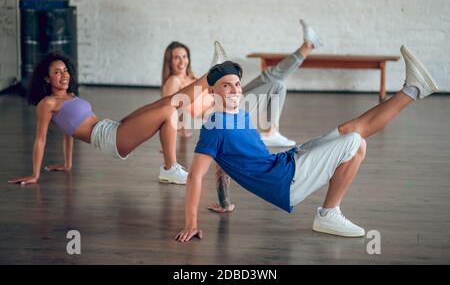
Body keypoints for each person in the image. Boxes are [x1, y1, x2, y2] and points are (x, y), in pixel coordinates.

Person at [175, 45, 439, 241]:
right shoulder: (213, 126)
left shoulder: (240, 114)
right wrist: (191, 223)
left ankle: (413, 89)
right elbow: (195, 177)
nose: (235, 90)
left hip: (287, 162)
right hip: (285, 181)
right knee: (355, 141)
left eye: (237, 84)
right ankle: (327, 215)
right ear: (212, 92)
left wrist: (224, 202)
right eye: (226, 86)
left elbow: (225, 165)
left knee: (352, 131)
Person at [160, 20, 321, 209]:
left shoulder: (192, 76)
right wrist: (180, 132)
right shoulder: (173, 82)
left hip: (231, 99)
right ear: (169, 61)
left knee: (272, 79)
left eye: (184, 56)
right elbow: (170, 109)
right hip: (225, 113)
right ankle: (306, 47)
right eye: (176, 58)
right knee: (274, 80)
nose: (182, 61)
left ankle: (307, 46)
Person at [7, 50, 216, 185]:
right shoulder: (47, 104)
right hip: (109, 139)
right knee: (171, 104)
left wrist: (67, 163)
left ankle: (169, 168)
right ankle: (212, 74)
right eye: (57, 72)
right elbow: (41, 139)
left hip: (111, 127)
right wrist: (35, 175)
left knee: (166, 104)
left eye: (65, 70)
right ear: (46, 77)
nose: (64, 75)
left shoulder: (69, 95)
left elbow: (67, 131)